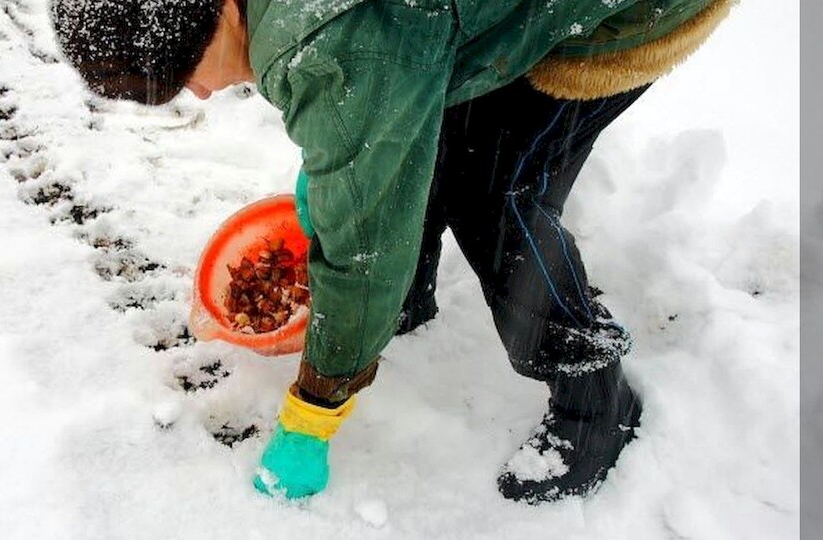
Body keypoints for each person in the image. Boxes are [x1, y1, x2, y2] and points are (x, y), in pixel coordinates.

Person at [50, 0, 732, 503]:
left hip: (628, 8)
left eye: (187, 74)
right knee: (432, 127)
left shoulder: (331, 46)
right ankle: (412, 294)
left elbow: (361, 258)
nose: (199, 93)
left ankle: (595, 400)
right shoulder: (336, 45)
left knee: (497, 192)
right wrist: (347, 175)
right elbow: (396, 86)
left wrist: (314, 410)